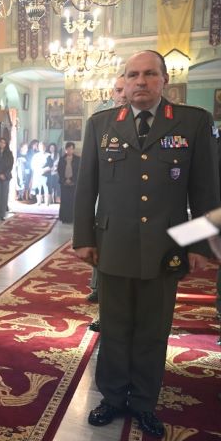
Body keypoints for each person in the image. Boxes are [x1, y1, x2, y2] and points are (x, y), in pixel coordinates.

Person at [74, 49, 219, 438]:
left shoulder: (192, 122)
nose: (141, 81)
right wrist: (84, 238)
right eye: (133, 74)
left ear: (165, 79)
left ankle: (143, 402)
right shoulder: (102, 123)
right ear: (124, 80)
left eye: (150, 74)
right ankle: (112, 397)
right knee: (115, 327)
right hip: (113, 244)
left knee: (153, 331)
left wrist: (198, 245)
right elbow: (86, 186)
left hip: (166, 246)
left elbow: (205, 190)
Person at [88, 74, 127, 310]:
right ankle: (97, 290)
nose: (122, 95)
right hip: (106, 208)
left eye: (125, 89)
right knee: (103, 254)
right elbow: (89, 179)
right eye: (117, 90)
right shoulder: (100, 121)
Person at [56, 142, 80, 224]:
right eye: (68, 149)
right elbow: (59, 170)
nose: (70, 150)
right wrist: (65, 179)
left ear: (73, 149)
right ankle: (64, 217)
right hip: (64, 183)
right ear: (66, 149)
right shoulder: (62, 159)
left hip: (74, 183)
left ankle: (72, 218)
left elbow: (78, 171)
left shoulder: (78, 159)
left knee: (72, 200)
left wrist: (72, 179)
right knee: (64, 200)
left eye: (71, 149)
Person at [0, 137, 14, 220]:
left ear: (6, 144)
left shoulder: (9, 153)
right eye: (1, 142)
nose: (2, 144)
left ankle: (2, 214)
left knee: (4, 195)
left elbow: (10, 165)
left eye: (4, 142)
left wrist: (4, 175)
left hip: (6, 177)